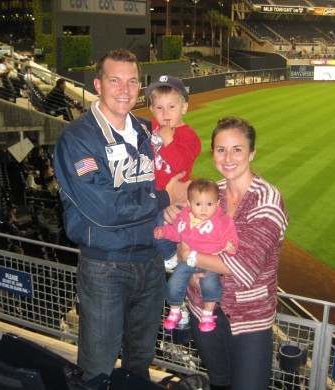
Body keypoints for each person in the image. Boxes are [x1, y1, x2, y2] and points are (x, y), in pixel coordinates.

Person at [53, 49, 189, 382]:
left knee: (140, 363)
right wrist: (162, 198)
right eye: (115, 80)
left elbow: (177, 172)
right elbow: (105, 209)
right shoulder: (77, 138)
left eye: (132, 81)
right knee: (97, 366)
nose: (125, 90)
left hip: (152, 263)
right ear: (98, 84)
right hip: (105, 268)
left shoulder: (147, 131)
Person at [167, 117, 289, 390]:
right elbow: (183, 232)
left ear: (252, 153)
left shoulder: (267, 200)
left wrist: (191, 260)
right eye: (221, 149)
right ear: (213, 154)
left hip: (249, 319)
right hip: (204, 310)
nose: (228, 157)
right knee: (220, 383)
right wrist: (176, 230)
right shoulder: (213, 192)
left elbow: (244, 268)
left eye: (237, 149)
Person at [155, 178, 238, 333]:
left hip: (209, 260)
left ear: (218, 203)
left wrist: (230, 245)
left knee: (209, 284)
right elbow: (175, 232)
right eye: (198, 204)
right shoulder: (184, 217)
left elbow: (231, 236)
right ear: (190, 203)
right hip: (188, 262)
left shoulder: (222, 221)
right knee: (174, 282)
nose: (204, 209)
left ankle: (207, 315)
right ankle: (174, 311)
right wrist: (163, 232)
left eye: (209, 204)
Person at [145, 75, 201, 269]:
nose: (165, 113)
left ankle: (171, 256)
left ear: (183, 108)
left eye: (172, 107)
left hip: (175, 199)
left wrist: (168, 141)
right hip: (156, 194)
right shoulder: (151, 127)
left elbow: (181, 165)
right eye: (159, 108)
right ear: (152, 110)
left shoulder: (189, 136)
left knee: (159, 225)